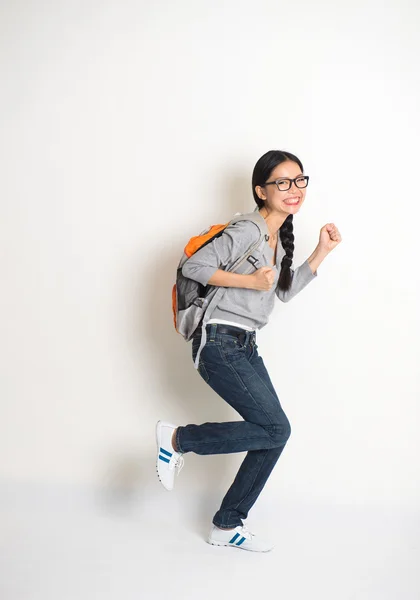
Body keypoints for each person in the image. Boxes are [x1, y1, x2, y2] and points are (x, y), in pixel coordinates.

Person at [156, 150, 342, 552]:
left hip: (245, 345)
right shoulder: (247, 230)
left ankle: (227, 524)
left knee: (275, 433)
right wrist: (249, 283)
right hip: (219, 343)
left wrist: (321, 251)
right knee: (277, 429)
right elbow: (195, 267)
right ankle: (178, 440)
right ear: (262, 190)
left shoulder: (277, 236)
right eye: (282, 183)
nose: (294, 190)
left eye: (299, 181)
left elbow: (284, 292)